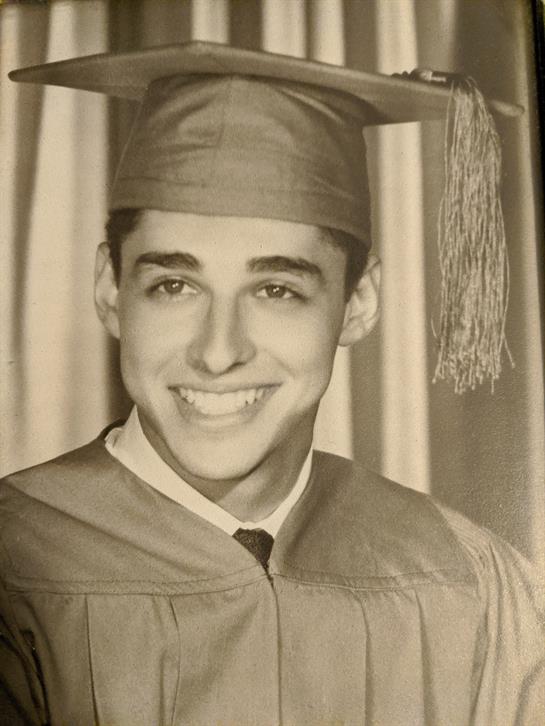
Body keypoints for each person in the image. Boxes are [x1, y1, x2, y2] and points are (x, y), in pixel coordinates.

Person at [1, 42, 543, 726]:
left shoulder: (466, 578)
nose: (218, 351)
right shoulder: (15, 566)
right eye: (173, 284)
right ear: (110, 290)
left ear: (358, 302)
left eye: (276, 289)